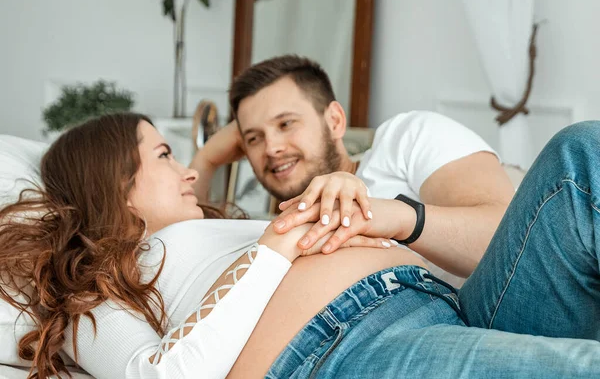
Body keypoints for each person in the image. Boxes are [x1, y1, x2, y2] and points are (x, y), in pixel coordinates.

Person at [0, 113, 599, 379]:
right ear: (113, 186)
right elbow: (159, 377)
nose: (187, 172)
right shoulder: (94, 280)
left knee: (580, 154)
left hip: (448, 306)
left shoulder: (210, 231)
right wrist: (277, 245)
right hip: (340, 348)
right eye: (164, 154)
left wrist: (350, 202)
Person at [189, 55, 515, 285]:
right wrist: (207, 159)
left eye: (286, 123)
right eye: (253, 138)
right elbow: (186, 244)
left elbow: (512, 244)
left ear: (334, 120)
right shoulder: (280, 235)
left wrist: (398, 218)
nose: (271, 147)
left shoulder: (406, 138)